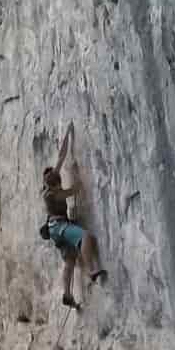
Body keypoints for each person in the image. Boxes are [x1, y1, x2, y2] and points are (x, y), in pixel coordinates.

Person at [42, 123, 106, 308]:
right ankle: (91, 271)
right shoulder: (51, 193)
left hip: (56, 230)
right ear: (51, 181)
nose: (55, 175)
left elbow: (61, 156)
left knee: (69, 261)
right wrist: (78, 184)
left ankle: (68, 295)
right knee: (85, 237)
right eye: (54, 177)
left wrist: (68, 134)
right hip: (59, 228)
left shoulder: (49, 186)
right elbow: (69, 191)